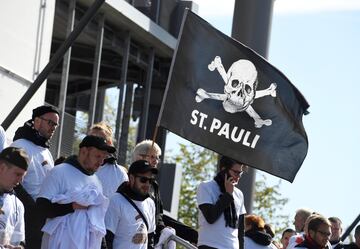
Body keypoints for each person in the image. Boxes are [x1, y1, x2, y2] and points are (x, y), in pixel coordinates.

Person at [36, 135, 115, 249]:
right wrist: (71, 206)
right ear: (83, 151)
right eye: (98, 156)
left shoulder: (97, 182)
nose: (101, 162)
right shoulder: (59, 172)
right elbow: (41, 209)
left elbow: (97, 223)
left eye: (103, 158)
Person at [10, 105, 59, 249]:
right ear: (37, 121)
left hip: (43, 218)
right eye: (50, 122)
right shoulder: (20, 145)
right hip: (26, 217)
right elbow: (11, 182)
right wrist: (32, 207)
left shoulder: (46, 151)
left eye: (56, 124)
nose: (53, 127)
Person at [132, 140, 198, 244]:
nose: (156, 161)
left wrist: (192, 235)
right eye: (152, 157)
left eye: (157, 157)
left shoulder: (154, 186)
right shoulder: (127, 181)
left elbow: (159, 215)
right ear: (140, 157)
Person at [105, 160, 157, 249]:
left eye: (150, 180)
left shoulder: (150, 203)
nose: (147, 184)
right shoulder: (116, 201)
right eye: (143, 180)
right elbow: (107, 239)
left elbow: (150, 239)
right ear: (131, 178)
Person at [196, 156, 247, 249]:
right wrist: (228, 195)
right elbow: (211, 217)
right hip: (209, 245)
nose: (238, 177)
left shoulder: (239, 194)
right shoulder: (206, 186)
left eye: (240, 173)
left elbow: (240, 231)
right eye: (235, 172)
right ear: (224, 170)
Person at [88, 121, 128, 198]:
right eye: (90, 139)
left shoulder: (119, 174)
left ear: (109, 143)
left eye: (99, 139)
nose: (94, 143)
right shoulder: (74, 167)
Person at [0, 147, 29, 248]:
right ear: (2, 168)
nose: (20, 180)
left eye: (23, 176)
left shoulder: (18, 205)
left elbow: (18, 241)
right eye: (17, 174)